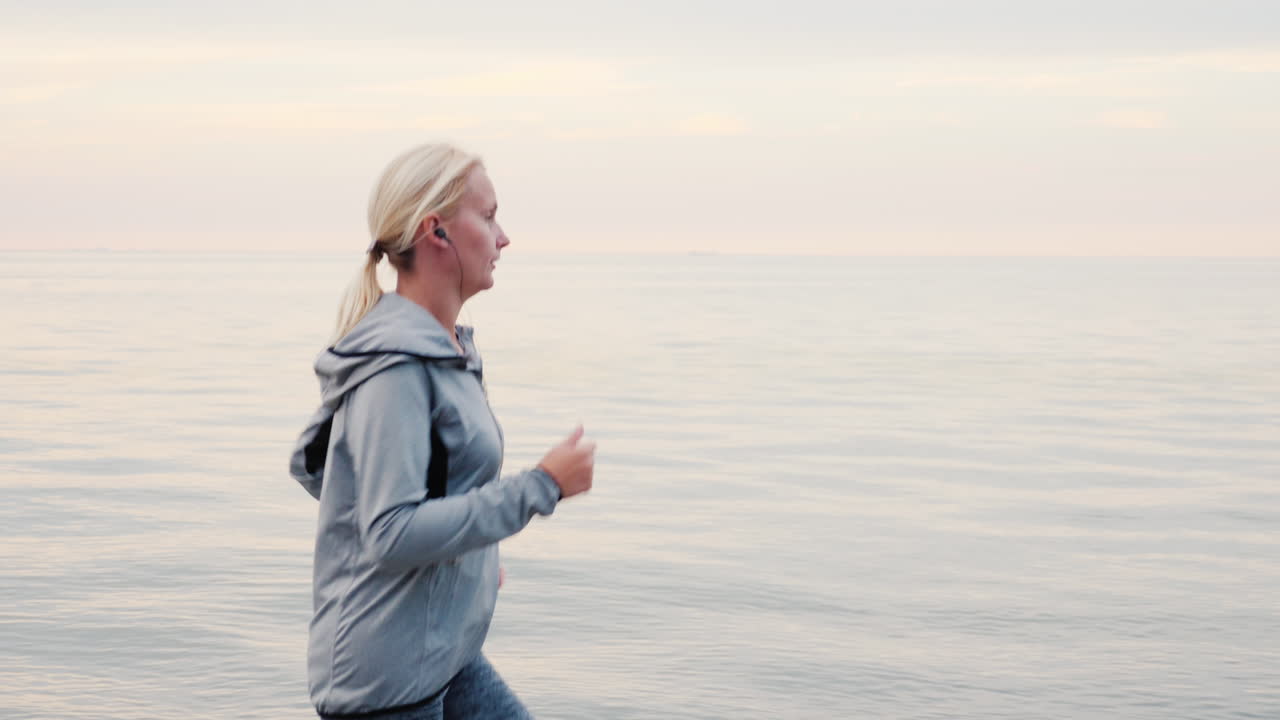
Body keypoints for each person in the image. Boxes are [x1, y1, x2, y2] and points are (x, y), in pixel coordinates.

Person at [289, 143, 595, 719]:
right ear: (437, 233)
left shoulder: (445, 348)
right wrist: (542, 485)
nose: (504, 237)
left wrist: (462, 562)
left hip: (443, 656)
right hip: (385, 689)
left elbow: (362, 485)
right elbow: (389, 530)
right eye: (488, 215)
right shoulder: (397, 368)